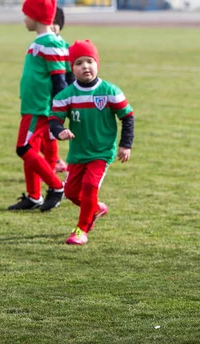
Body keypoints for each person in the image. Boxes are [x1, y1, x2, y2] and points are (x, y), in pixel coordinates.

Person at [49, 39, 135, 245]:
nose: (85, 66)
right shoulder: (67, 95)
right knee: (70, 192)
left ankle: (82, 230)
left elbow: (128, 116)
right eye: (78, 63)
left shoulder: (110, 91)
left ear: (97, 63)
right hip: (78, 153)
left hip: (101, 151)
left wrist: (126, 144)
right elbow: (53, 120)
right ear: (72, 68)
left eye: (89, 61)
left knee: (89, 186)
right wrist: (60, 131)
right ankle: (96, 208)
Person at [9, 0, 67, 211]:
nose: (24, 19)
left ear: (36, 17)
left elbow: (59, 78)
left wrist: (58, 110)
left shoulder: (50, 42)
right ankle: (34, 196)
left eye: (26, 14)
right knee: (30, 148)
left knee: (23, 148)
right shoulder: (40, 41)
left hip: (39, 107)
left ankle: (56, 186)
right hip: (32, 105)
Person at [41, 6, 72, 175]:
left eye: (56, 23)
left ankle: (53, 167)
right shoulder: (41, 44)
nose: (52, 26)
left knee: (50, 134)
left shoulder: (64, 46)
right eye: (49, 22)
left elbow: (70, 75)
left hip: (56, 99)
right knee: (38, 137)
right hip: (41, 98)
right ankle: (55, 162)